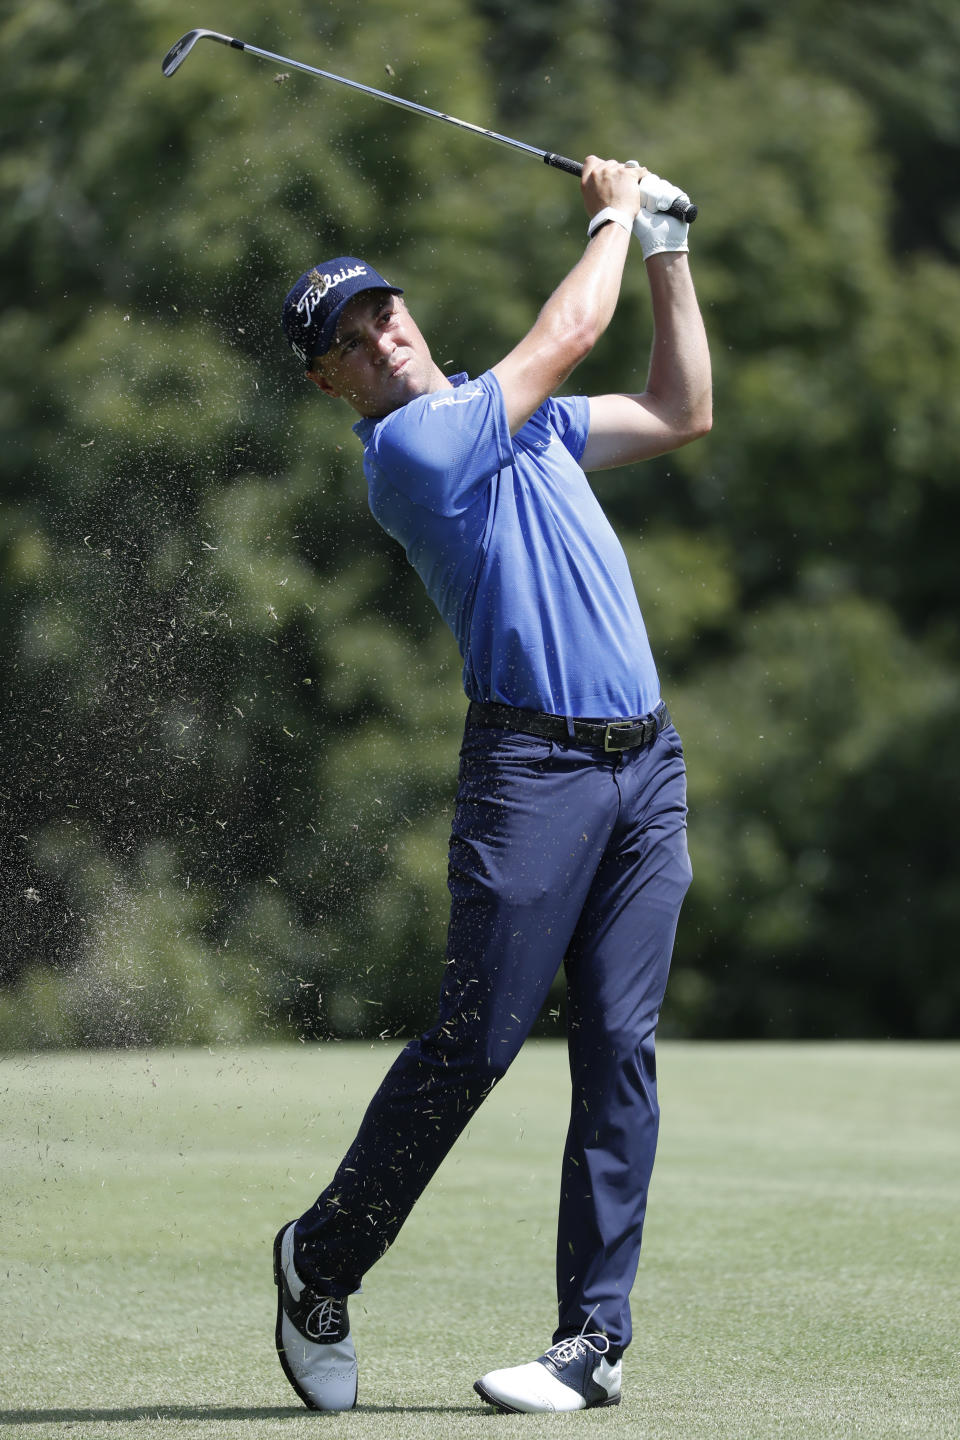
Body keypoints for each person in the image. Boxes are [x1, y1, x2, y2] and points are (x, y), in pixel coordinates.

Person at [274, 155, 711, 1414]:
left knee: (622, 1049)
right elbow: (572, 328)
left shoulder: (506, 414)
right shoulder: (413, 451)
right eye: (352, 341)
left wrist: (671, 253)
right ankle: (321, 1258)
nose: (382, 337)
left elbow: (681, 411)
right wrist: (616, 211)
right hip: (533, 770)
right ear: (331, 385)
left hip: (646, 768)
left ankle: (593, 1342)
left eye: (386, 312)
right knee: (478, 1045)